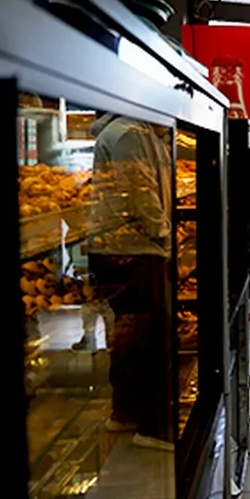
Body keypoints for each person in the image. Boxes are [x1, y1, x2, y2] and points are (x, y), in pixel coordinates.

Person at [86, 113, 175, 451]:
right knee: (152, 335)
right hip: (131, 249)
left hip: (128, 246)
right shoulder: (129, 134)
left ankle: (126, 411)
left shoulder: (139, 132)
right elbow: (140, 195)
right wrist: (165, 235)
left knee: (132, 332)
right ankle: (152, 426)